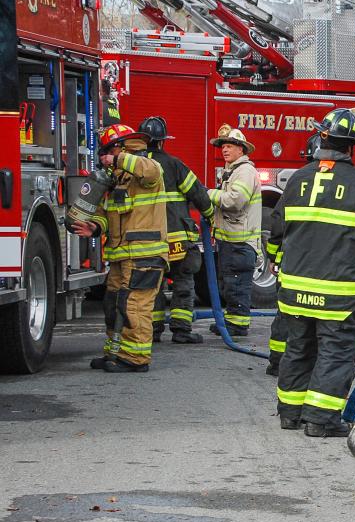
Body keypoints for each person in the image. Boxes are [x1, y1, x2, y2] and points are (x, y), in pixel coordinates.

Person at [266, 110, 355, 437]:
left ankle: (290, 413)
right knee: (337, 353)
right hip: (340, 293)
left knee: (298, 347)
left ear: (321, 137)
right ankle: (320, 420)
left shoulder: (297, 179)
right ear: (353, 146)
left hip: (294, 289)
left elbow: (277, 229)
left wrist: (275, 258)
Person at [70, 124, 168, 373]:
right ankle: (115, 352)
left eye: (108, 151)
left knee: (134, 306)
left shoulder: (147, 168)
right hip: (121, 256)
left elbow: (151, 171)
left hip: (145, 255)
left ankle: (136, 358)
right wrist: (95, 227)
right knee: (114, 305)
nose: (105, 157)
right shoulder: (117, 179)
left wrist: (118, 159)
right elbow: (108, 214)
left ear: (122, 148)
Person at [140, 116, 215, 344]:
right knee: (183, 281)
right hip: (177, 240)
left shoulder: (135, 167)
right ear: (162, 141)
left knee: (153, 285)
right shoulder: (174, 164)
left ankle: (152, 331)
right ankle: (181, 330)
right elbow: (197, 193)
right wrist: (210, 214)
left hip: (147, 240)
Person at [265, 133, 321, 376]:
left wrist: (273, 256)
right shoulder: (352, 182)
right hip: (327, 269)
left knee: (286, 314)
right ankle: (312, 362)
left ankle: (278, 361)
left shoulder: (297, 180)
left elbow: (278, 220)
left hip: (293, 266)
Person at [206, 124, 262, 337]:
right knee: (231, 284)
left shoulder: (244, 171)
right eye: (223, 146)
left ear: (241, 149)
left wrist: (208, 193)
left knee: (237, 285)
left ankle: (238, 325)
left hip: (241, 243)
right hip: (232, 242)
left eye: (230, 146)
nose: (225, 149)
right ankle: (231, 321)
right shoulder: (233, 171)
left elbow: (235, 201)